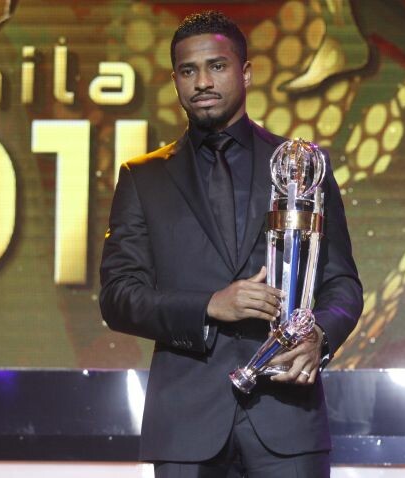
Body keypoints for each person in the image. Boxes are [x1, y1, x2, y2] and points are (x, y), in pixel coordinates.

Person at [99, 11, 362, 478]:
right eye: (188, 71)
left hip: (287, 418)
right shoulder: (143, 178)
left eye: (217, 66)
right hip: (187, 425)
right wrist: (209, 306)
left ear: (246, 72)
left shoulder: (301, 167)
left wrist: (319, 336)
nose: (202, 81)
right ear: (175, 81)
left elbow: (342, 283)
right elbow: (118, 297)